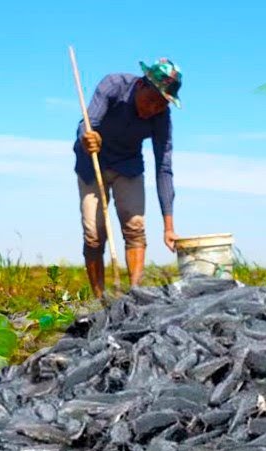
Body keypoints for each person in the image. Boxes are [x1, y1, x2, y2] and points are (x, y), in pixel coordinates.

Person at [74, 57, 182, 298]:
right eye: (152, 100)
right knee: (94, 235)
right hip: (93, 160)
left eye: (162, 105)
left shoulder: (161, 118)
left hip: (128, 165)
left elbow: (164, 167)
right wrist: (88, 137)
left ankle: (135, 295)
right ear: (142, 85)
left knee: (135, 228)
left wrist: (169, 227)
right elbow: (87, 124)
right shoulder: (113, 85)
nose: (154, 109)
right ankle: (99, 298)